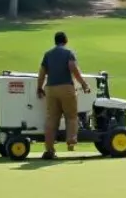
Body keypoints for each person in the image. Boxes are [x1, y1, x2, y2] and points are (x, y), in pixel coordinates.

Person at [36, 30, 91, 160]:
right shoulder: (68, 53)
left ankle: (49, 150)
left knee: (51, 119)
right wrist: (83, 84)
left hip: (50, 89)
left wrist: (39, 87)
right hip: (66, 87)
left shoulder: (48, 54)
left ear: (55, 41)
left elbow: (42, 72)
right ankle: (71, 140)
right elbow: (73, 69)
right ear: (65, 41)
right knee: (71, 116)